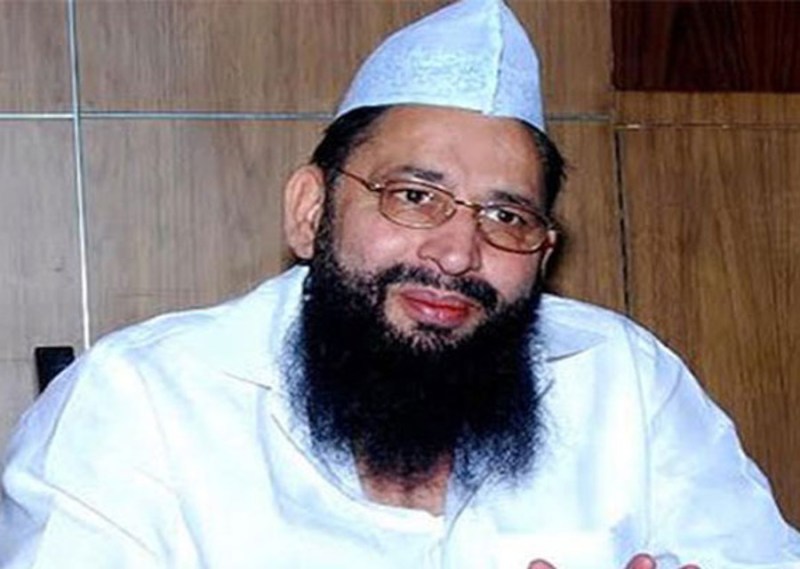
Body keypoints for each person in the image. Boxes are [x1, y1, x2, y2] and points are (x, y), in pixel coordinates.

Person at [1, 0, 799, 567]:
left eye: (507, 216)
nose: (456, 254)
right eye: (414, 196)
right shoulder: (136, 403)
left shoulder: (625, 378)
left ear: (544, 251)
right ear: (311, 209)